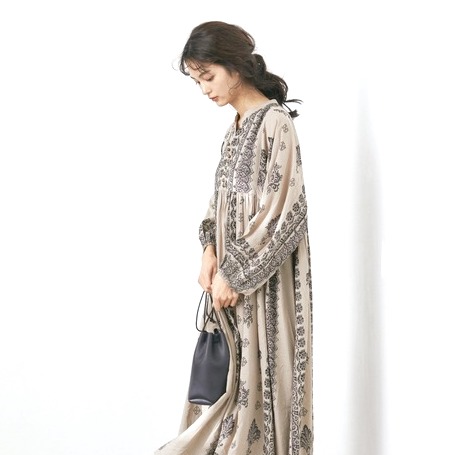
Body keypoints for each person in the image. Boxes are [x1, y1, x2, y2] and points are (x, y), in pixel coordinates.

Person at [156, 21, 313, 455]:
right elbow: (220, 200)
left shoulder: (275, 123)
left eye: (208, 76)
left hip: (262, 287)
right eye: (197, 81)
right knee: (228, 389)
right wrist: (208, 249)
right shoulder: (237, 127)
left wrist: (235, 273)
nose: (204, 89)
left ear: (235, 67)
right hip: (228, 287)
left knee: (261, 386)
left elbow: (283, 210)